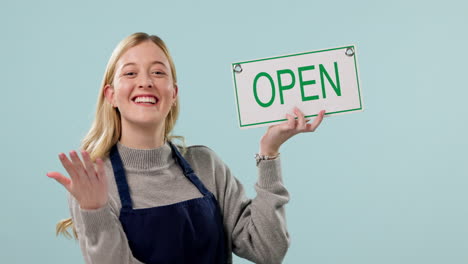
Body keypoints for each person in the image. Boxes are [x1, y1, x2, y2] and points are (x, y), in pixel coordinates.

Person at [47, 32, 325, 264]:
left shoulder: (205, 165)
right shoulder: (95, 180)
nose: (145, 81)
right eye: (130, 73)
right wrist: (94, 211)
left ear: (174, 94)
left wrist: (269, 152)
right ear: (111, 95)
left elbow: (267, 249)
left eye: (158, 72)